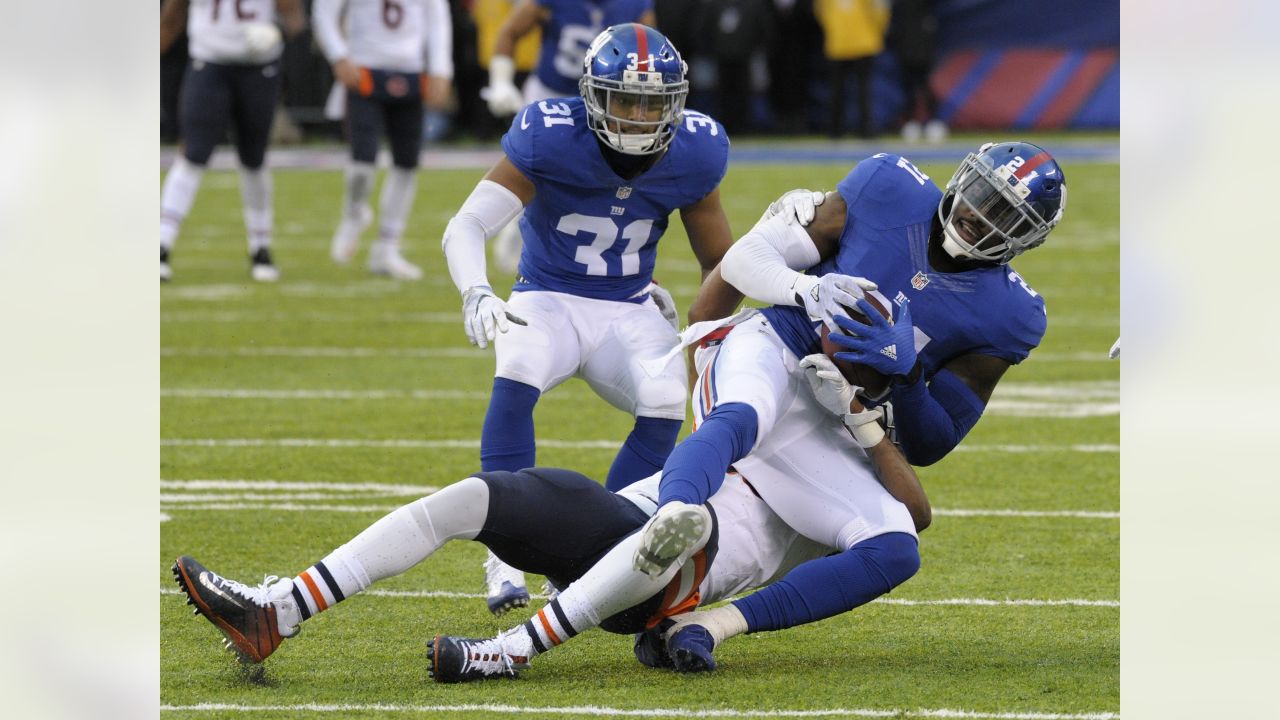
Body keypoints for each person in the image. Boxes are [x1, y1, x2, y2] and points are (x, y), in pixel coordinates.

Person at [171, 354, 929, 676]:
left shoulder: (857, 482)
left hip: (678, 576)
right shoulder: (784, 380)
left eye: (862, 370)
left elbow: (908, 527)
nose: (839, 368)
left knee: (681, 531)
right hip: (630, 515)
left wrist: (723, 623)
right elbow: (720, 337)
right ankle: (284, 608)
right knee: (477, 496)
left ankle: (511, 649)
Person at [615, 141, 1066, 668]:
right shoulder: (888, 187)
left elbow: (933, 441)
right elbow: (741, 264)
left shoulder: (1012, 314)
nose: (978, 214)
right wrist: (797, 293)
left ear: (1028, 236)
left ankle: (706, 623)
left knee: (898, 536)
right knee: (732, 425)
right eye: (984, 195)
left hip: (841, 423)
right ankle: (660, 524)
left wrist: (908, 373)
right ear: (964, 178)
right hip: (777, 354)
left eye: (1005, 213)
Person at [441, 23, 738, 616]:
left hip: (628, 306)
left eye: (653, 104)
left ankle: (592, 550)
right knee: (519, 363)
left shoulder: (696, 151)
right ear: (592, 95)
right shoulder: (551, 137)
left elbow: (721, 264)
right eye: (625, 99)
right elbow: (467, 225)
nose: (638, 116)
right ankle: (503, 554)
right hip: (546, 297)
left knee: (662, 396)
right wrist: (476, 291)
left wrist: (716, 322)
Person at [482, 0, 657, 273]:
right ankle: (508, 226)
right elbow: (510, 31)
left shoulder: (634, 4)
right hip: (550, 95)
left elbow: (650, 50)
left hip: (605, 102)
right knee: (530, 171)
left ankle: (558, 237)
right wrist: (500, 81)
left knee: (594, 175)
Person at [159, 0, 306, 283]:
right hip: (209, 64)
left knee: (254, 159)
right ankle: (161, 246)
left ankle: (260, 249)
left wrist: (276, 29)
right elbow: (173, 17)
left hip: (258, 69)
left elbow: (295, 21)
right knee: (192, 153)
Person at [312, 0, 455, 281]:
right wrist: (339, 56)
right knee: (362, 165)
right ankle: (355, 212)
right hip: (364, 70)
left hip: (411, 70)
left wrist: (441, 69)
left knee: (406, 164)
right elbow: (324, 12)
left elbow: (438, 20)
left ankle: (387, 248)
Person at [814, 0, 890, 138]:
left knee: (857, 91)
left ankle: (842, 130)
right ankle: (852, 130)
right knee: (850, 91)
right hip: (852, 42)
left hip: (851, 42)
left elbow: (821, 11)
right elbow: (880, 11)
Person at [886, 0, 946, 143]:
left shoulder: (926, 7)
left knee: (926, 88)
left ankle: (933, 121)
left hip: (923, 52)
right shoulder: (900, 7)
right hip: (907, 52)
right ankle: (911, 122)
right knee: (909, 89)